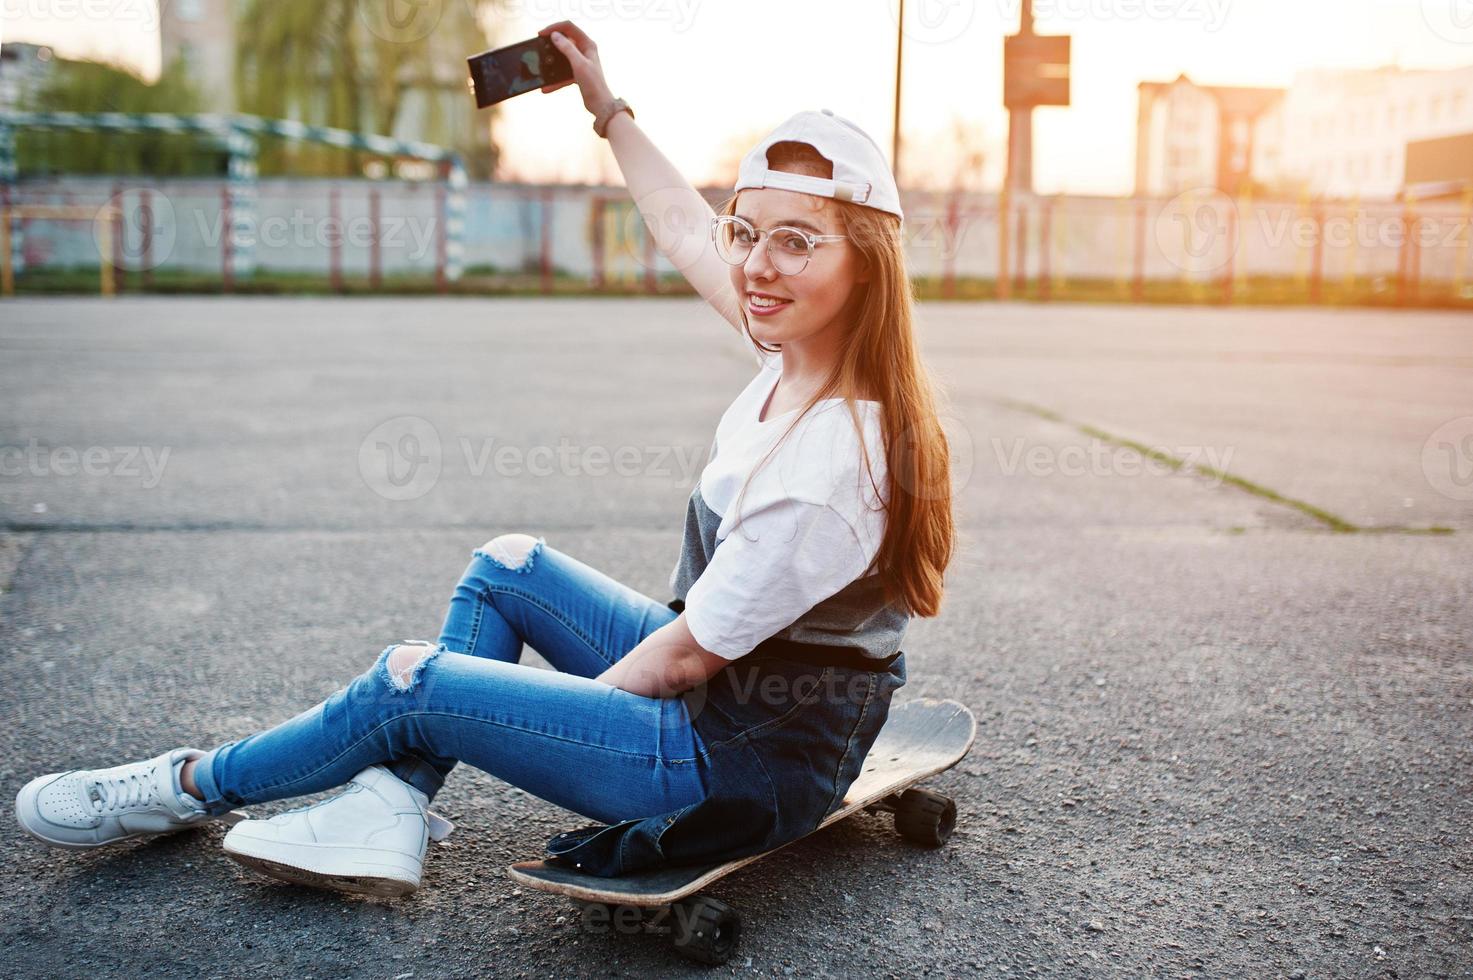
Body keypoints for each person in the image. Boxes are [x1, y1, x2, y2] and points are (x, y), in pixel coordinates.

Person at [13, 19, 955, 897]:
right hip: (720, 699)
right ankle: (389, 808)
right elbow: (682, 226)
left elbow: (679, 661)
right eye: (747, 232)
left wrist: (513, 714)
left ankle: (184, 785)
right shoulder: (791, 351)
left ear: (865, 263)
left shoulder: (833, 457)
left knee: (411, 683)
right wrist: (605, 107)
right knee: (509, 566)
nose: (755, 265)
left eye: (796, 242)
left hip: (731, 762)